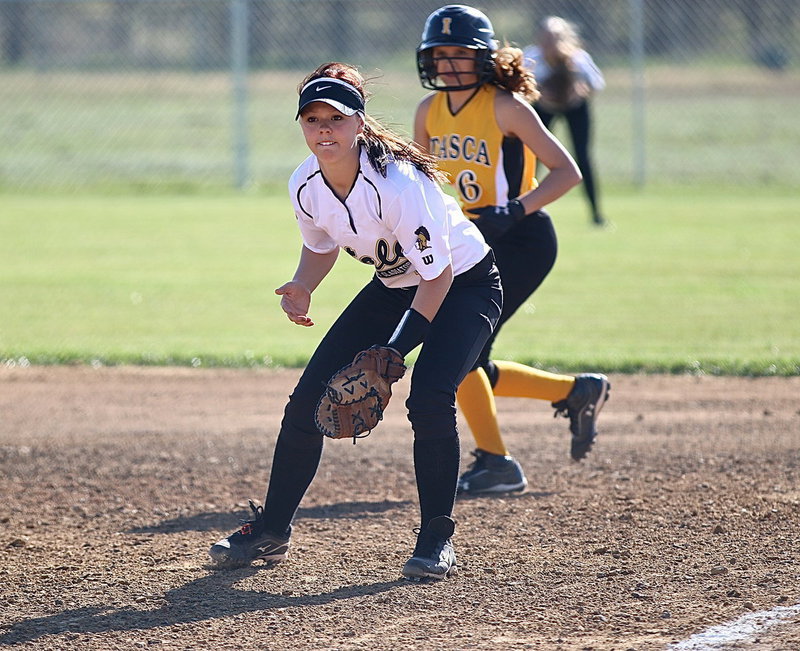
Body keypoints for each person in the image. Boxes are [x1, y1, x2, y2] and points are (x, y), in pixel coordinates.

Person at [209, 62, 502, 580]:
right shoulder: (305, 183)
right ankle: (273, 529)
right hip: (392, 287)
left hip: (465, 286)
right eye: (313, 119)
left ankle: (436, 538)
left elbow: (439, 277)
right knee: (306, 400)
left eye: (337, 119)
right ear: (301, 125)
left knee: (430, 397)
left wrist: (394, 350)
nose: (324, 129)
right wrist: (302, 284)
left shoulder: (398, 184)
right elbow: (319, 244)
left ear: (360, 124)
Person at [413, 5, 611, 495]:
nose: (449, 63)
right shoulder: (427, 112)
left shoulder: (505, 105)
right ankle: (574, 392)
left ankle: (497, 461)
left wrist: (517, 209)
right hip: (465, 243)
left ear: (482, 58)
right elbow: (420, 188)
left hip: (520, 239)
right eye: (441, 54)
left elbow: (567, 171)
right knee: (462, 358)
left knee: (459, 354)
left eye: (460, 53)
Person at [523, 15, 607, 226]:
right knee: (533, 156)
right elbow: (518, 86)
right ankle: (523, 207)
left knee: (582, 157)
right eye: (546, 37)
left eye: (556, 37)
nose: (551, 42)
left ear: (565, 38)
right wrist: (540, 91)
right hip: (543, 107)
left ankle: (596, 214)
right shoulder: (531, 57)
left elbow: (597, 83)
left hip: (575, 106)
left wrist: (579, 88)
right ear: (539, 38)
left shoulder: (578, 58)